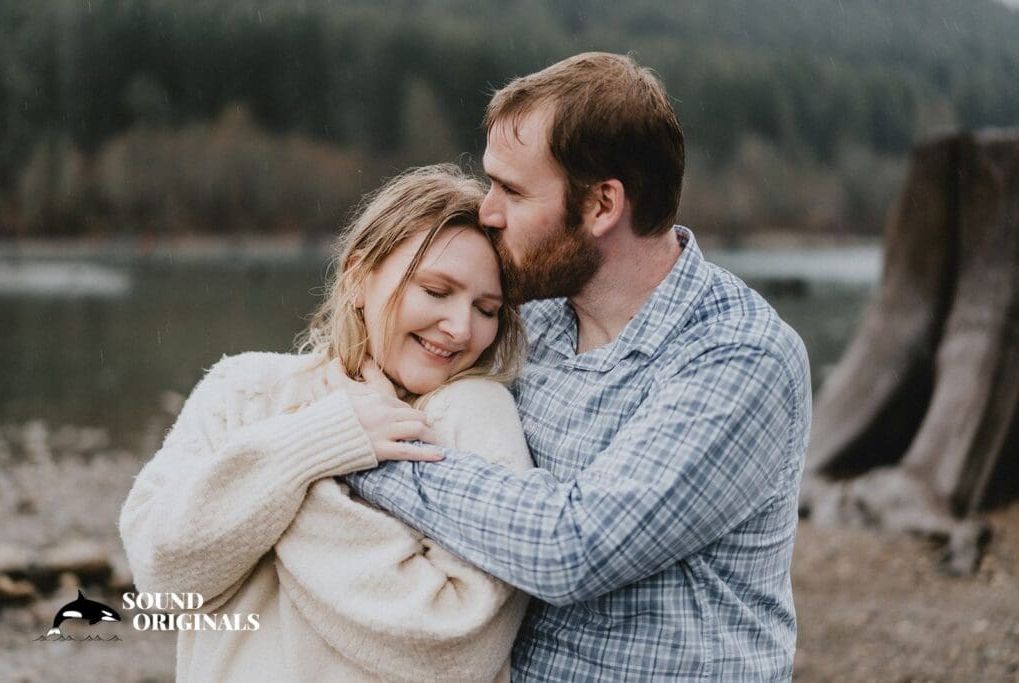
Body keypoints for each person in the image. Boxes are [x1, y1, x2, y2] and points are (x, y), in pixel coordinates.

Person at [341, 53, 813, 680]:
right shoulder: (524, 320)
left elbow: (573, 548)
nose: (488, 211)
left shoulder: (738, 357)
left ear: (601, 205)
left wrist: (367, 450)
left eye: (511, 189)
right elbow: (390, 373)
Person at [119, 164, 533, 682]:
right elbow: (164, 580)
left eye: (487, 309)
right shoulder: (243, 389)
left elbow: (453, 646)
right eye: (435, 290)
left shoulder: (476, 415)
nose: (460, 327)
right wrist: (315, 437)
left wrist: (308, 475)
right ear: (359, 278)